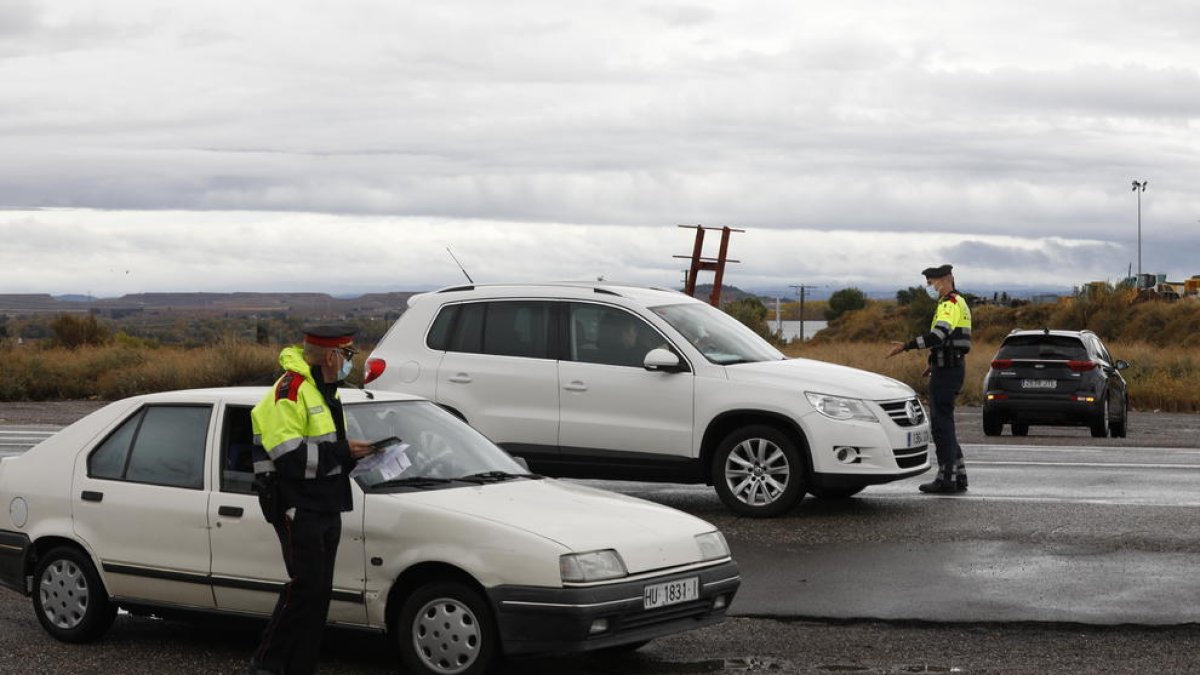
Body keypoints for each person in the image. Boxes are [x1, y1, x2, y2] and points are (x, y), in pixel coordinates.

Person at [250, 324, 375, 675]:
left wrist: (355, 455)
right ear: (333, 357)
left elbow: (324, 452)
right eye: (349, 354)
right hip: (297, 505)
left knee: (319, 594)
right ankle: (267, 663)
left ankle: (301, 667)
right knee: (305, 589)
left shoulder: (325, 391)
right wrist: (341, 450)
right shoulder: (290, 391)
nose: (351, 361)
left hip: (326, 503)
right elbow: (289, 459)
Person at [886, 264, 972, 494]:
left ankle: (946, 479)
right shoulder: (959, 302)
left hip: (948, 372)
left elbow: (938, 335)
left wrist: (906, 346)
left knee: (941, 425)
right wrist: (932, 362)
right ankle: (958, 475)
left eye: (930, 282)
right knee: (947, 423)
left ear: (945, 281)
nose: (928, 287)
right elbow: (949, 340)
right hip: (949, 367)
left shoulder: (949, 304)